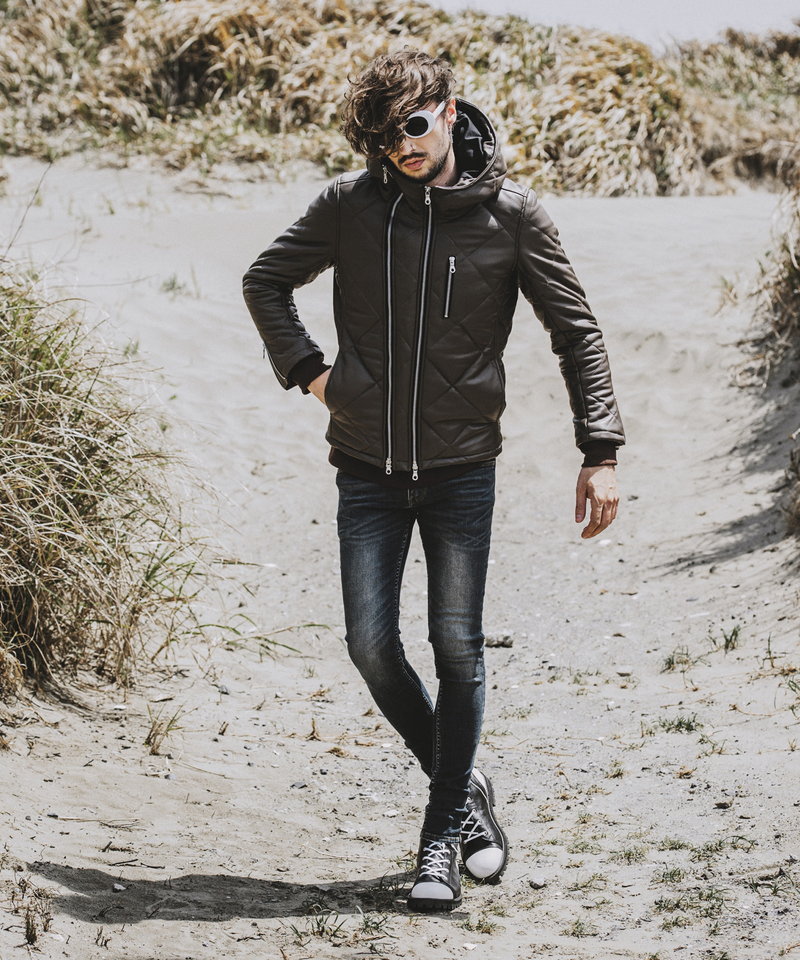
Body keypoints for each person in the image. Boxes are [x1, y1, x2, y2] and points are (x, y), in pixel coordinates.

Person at [242, 48, 624, 913]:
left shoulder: (512, 216)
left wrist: (600, 451)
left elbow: (578, 334)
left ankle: (441, 837)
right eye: (384, 139)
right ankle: (467, 788)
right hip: (366, 471)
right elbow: (266, 281)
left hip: (460, 474)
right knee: (371, 646)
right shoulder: (350, 205)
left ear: (449, 111)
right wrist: (313, 375)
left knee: (457, 648)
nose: (402, 148)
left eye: (413, 127)